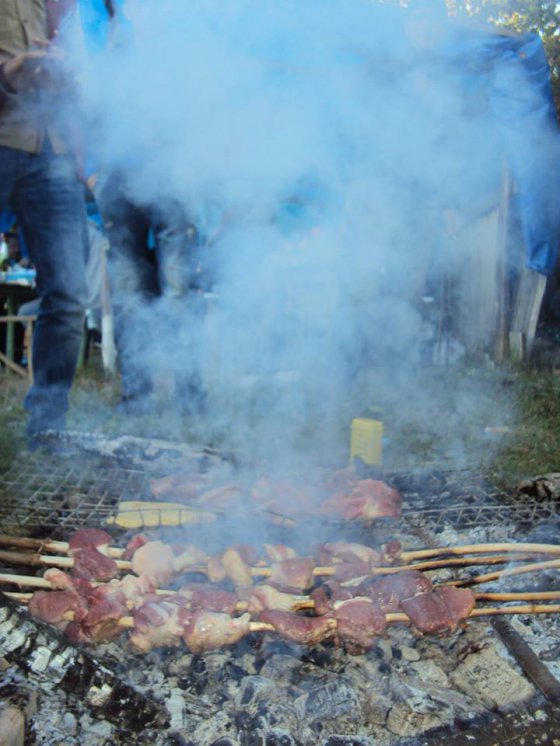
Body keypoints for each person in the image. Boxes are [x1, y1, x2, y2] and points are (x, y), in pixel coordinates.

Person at [0, 0, 88, 442]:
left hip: (52, 149)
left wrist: (67, 74)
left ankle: (48, 429)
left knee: (70, 293)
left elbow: (84, 83)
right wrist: (9, 77)